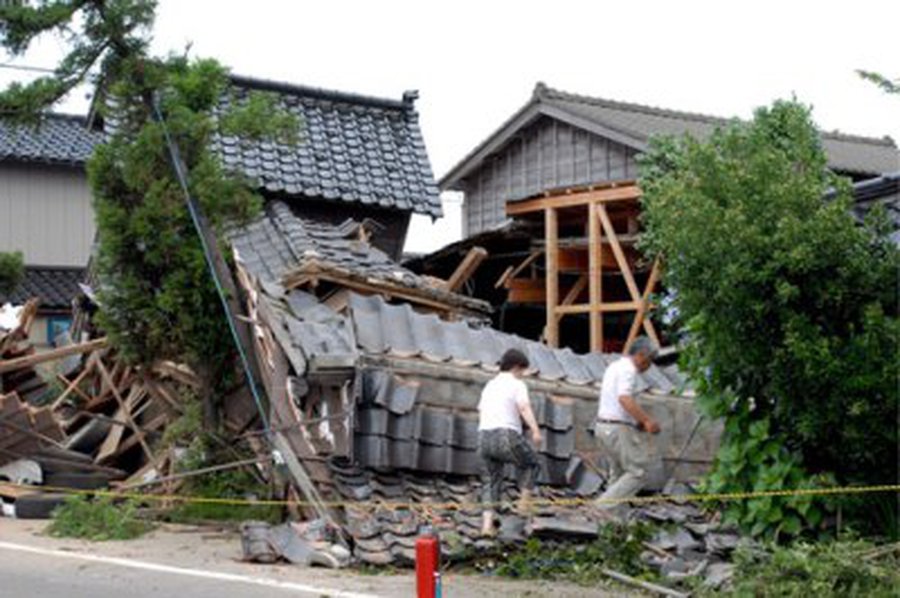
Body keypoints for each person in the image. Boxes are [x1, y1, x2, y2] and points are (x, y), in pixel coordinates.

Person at [477, 348, 543, 536]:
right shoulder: (516, 384)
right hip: (506, 435)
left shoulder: (489, 385)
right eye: (522, 370)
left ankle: (487, 526)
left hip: (483, 436)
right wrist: (535, 430)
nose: (522, 374)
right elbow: (523, 407)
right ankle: (523, 506)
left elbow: (481, 411)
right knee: (532, 464)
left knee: (490, 481)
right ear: (516, 367)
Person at [594, 336, 661, 515]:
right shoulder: (628, 370)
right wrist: (646, 420)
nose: (649, 366)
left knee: (618, 474)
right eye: (649, 360)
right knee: (638, 473)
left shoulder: (614, 366)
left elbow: (615, 402)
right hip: (617, 429)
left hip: (603, 427)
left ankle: (613, 522)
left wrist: (636, 421)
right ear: (640, 355)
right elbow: (624, 399)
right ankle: (601, 507)